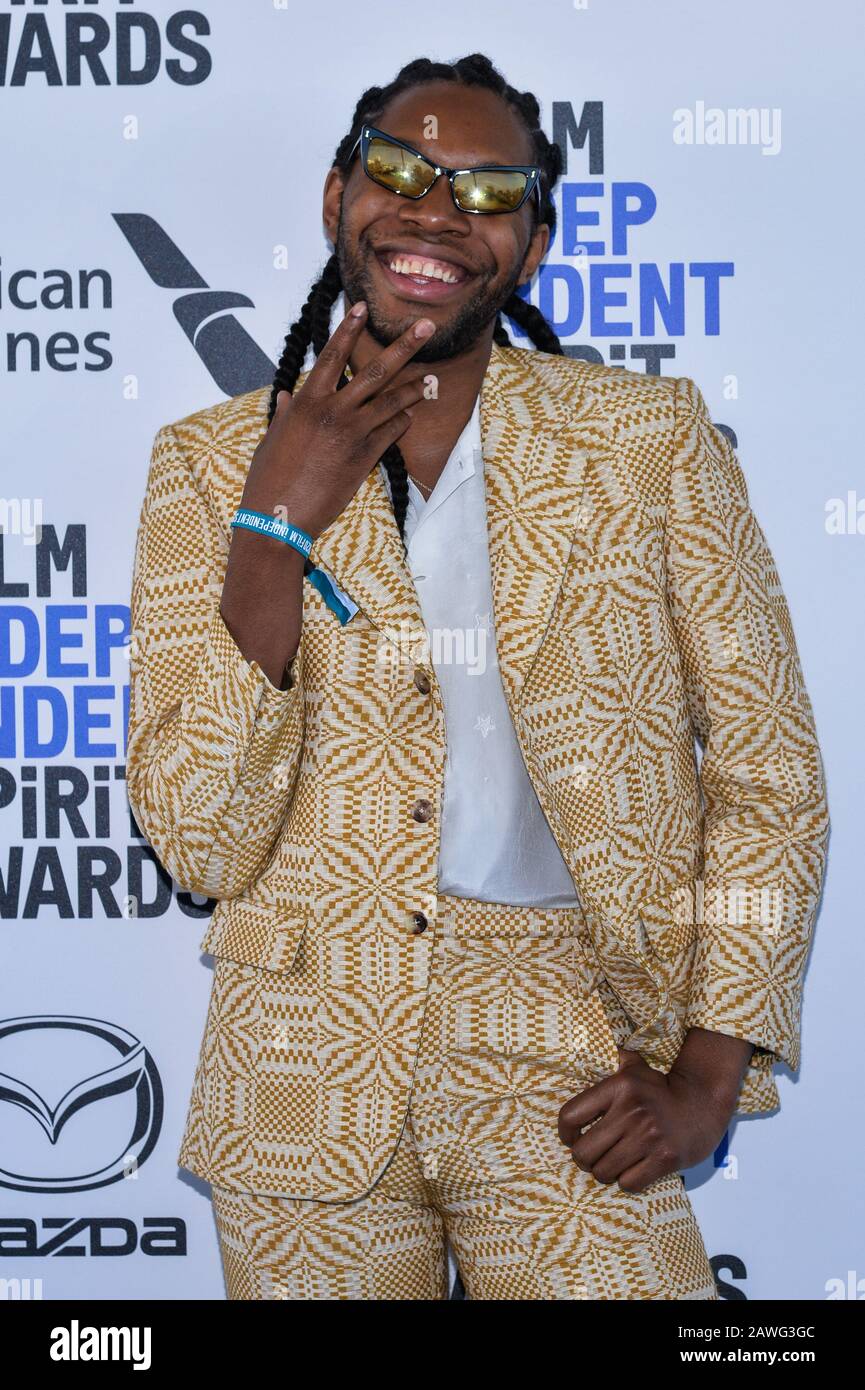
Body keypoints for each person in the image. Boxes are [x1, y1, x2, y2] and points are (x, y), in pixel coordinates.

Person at [126, 53, 829, 1301]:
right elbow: (198, 838)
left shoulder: (647, 441)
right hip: (301, 1062)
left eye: (484, 192)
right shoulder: (205, 466)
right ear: (337, 196)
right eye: (398, 172)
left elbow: (769, 775)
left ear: (534, 242)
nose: (434, 213)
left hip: (572, 1044)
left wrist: (713, 1072)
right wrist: (272, 525)